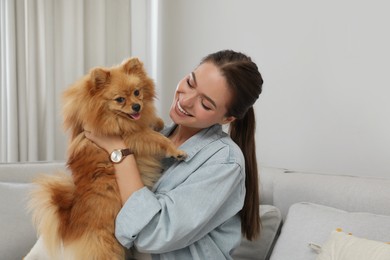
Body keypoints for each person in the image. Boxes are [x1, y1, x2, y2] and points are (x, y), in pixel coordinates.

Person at [85, 49, 263, 259]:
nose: (186, 100)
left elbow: (151, 234)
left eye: (205, 103)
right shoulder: (155, 136)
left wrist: (118, 151)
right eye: (190, 82)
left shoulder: (225, 163)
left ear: (227, 119)